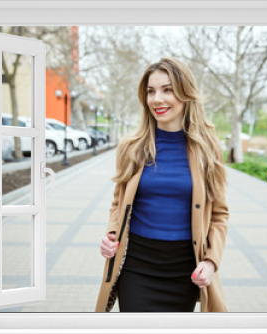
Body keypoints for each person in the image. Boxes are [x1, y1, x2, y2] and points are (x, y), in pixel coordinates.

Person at [95, 57, 229, 312]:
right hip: (138, 267)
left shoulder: (208, 149)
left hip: (185, 273)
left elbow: (220, 215)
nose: (157, 99)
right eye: (151, 91)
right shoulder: (131, 147)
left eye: (167, 90)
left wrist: (211, 261)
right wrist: (112, 234)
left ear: (185, 93)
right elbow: (118, 204)